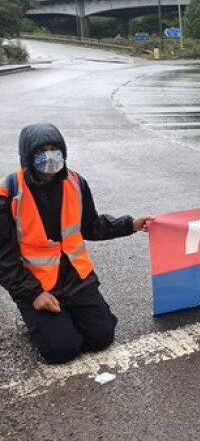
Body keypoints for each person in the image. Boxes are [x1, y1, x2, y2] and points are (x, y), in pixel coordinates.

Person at [0, 124, 154, 364]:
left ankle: (68, 315)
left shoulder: (75, 182)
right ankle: (34, 318)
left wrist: (130, 224)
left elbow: (90, 225)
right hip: (36, 283)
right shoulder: (8, 193)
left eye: (55, 149)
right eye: (42, 150)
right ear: (27, 155)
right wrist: (34, 294)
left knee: (101, 337)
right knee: (63, 349)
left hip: (75, 278)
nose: (50, 156)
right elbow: (4, 258)